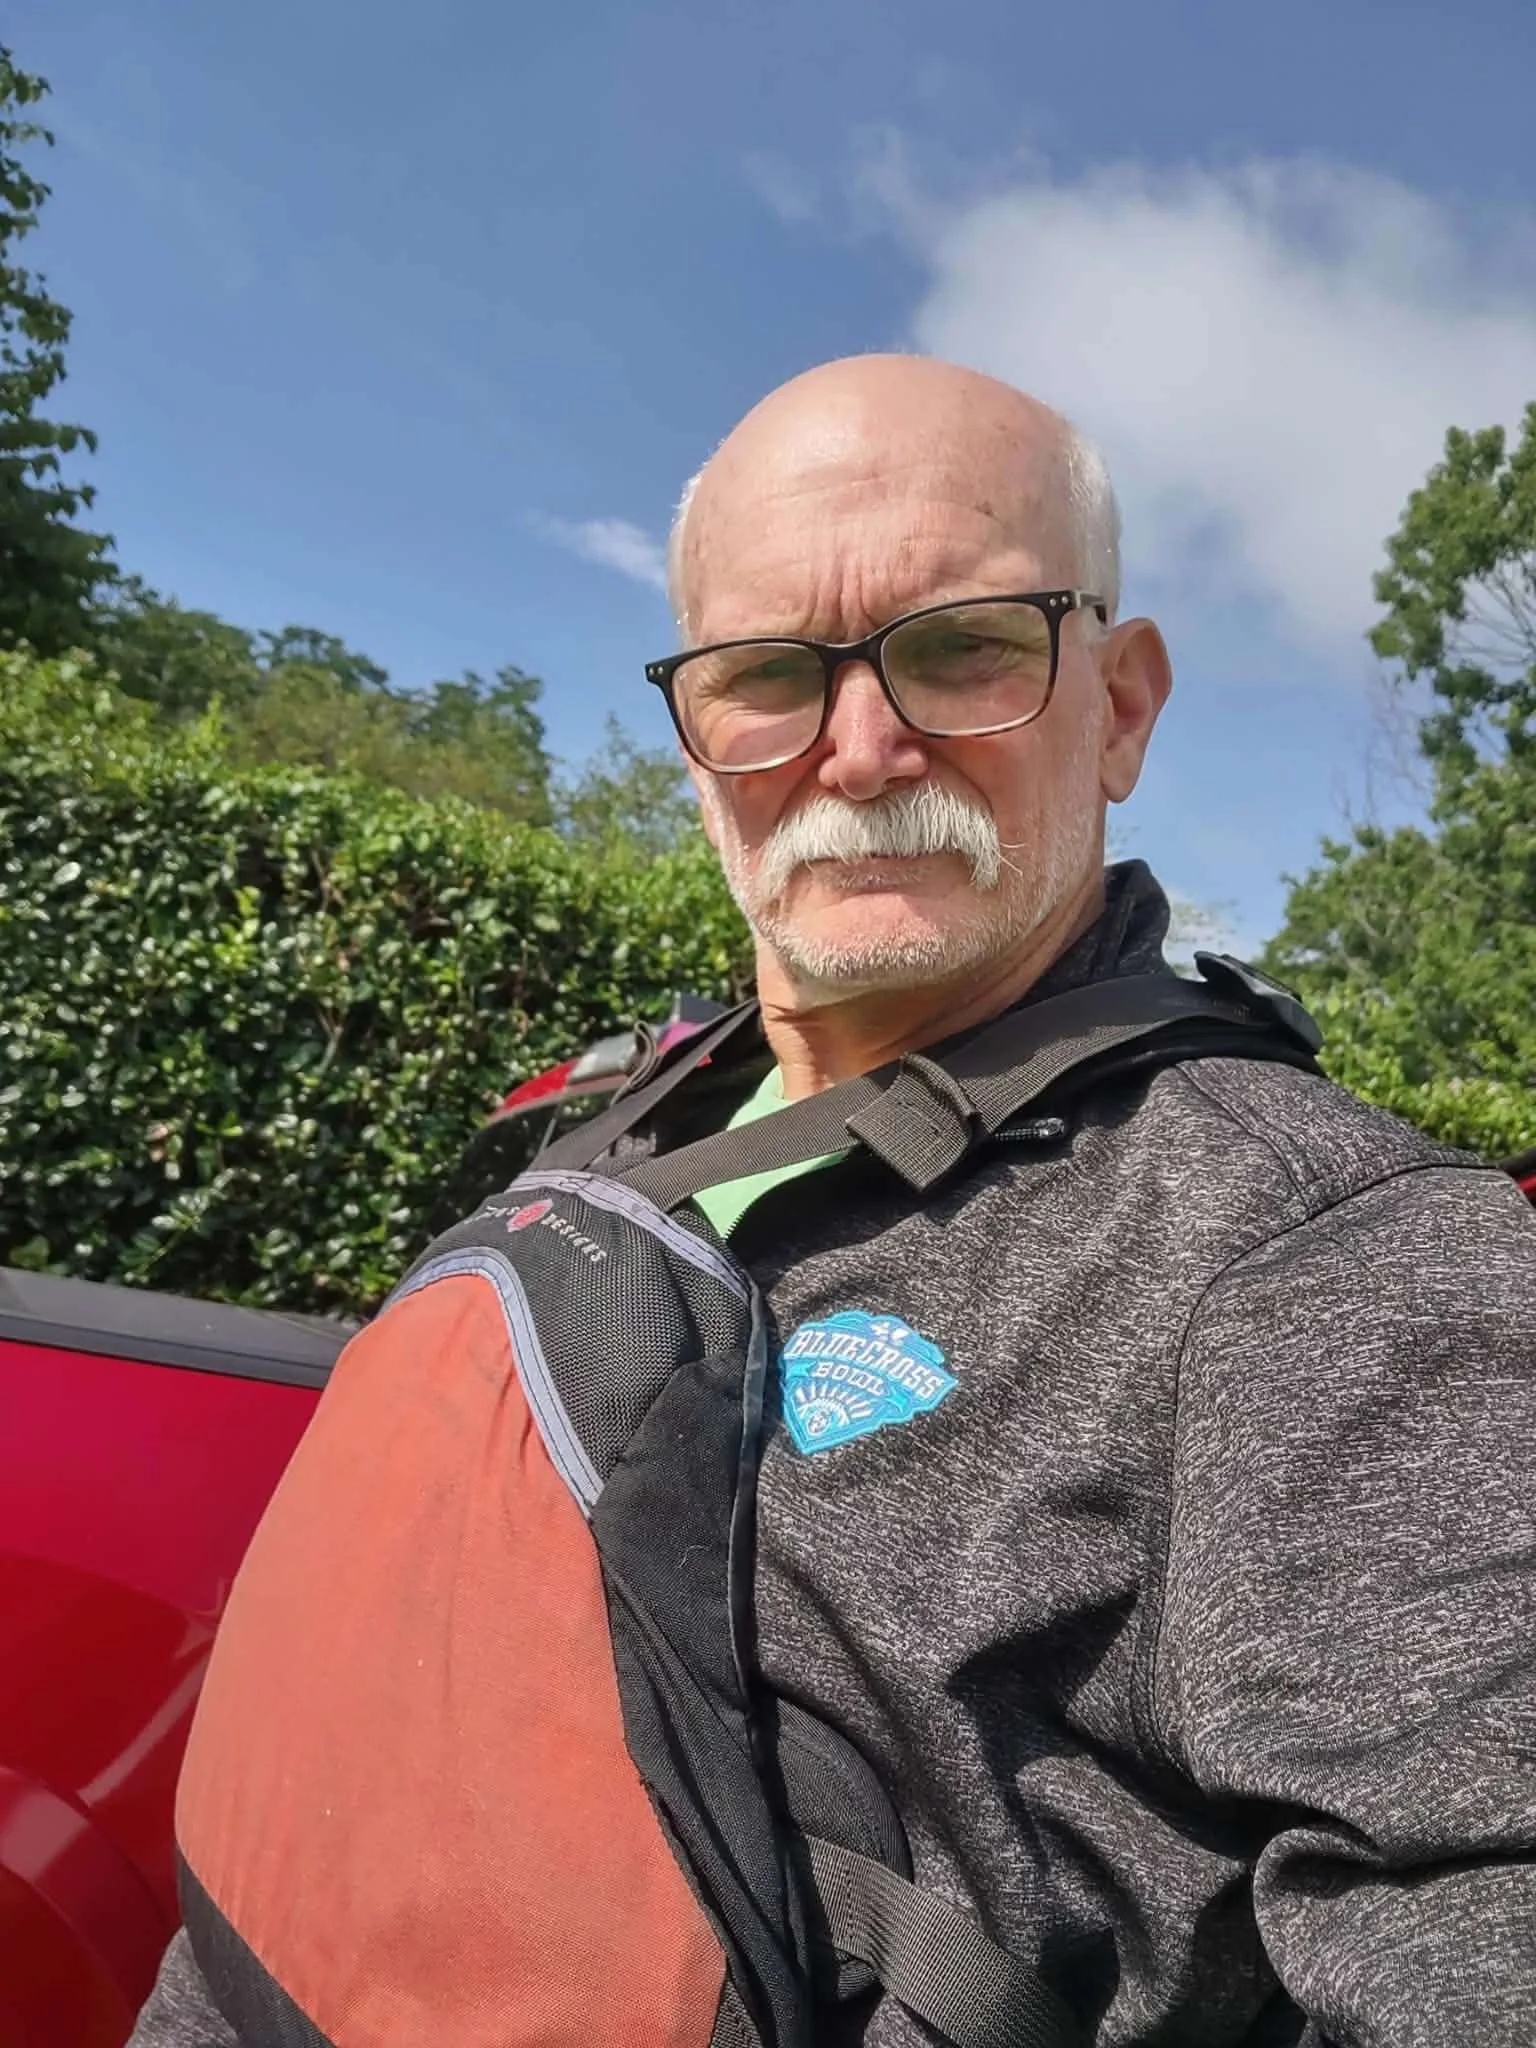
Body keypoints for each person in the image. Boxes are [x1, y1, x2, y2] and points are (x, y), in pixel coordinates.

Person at [133, 355, 1536, 2045]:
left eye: (963, 649)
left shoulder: (1323, 1258)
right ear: (695, 736)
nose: (861, 753)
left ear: (1121, 707)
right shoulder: (626, 1120)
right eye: (766, 676)